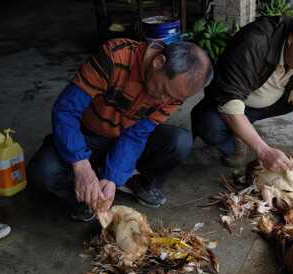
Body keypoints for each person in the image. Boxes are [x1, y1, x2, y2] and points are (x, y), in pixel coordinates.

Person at [28, 39, 212, 221]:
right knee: (42, 172)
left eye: (172, 99)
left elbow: (137, 134)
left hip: (125, 134)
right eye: (164, 91)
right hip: (87, 134)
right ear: (158, 62)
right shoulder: (115, 58)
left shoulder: (176, 91)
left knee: (179, 141)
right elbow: (66, 111)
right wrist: (81, 165)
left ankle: (132, 181)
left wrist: (112, 177)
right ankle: (84, 199)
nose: (163, 100)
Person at [191, 13, 293, 177]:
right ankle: (238, 135)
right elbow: (228, 101)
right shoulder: (254, 43)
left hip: (280, 97)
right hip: (240, 100)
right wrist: (263, 150)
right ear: (292, 39)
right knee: (209, 126)